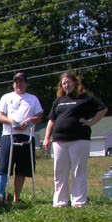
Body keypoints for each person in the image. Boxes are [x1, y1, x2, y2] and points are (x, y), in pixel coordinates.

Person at [42, 71, 107, 208]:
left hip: (79, 140)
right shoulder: (58, 101)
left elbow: (103, 109)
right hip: (59, 140)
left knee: (78, 170)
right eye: (63, 83)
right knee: (59, 172)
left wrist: (91, 122)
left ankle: (78, 201)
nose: (66, 85)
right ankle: (60, 202)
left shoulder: (85, 98)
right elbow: (51, 120)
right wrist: (47, 138)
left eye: (68, 82)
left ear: (75, 83)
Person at [0, 72, 44, 204]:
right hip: (9, 135)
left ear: (26, 84)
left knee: (22, 170)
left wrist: (30, 121)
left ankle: (16, 198)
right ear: (13, 84)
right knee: (4, 167)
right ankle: (0, 196)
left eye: (21, 82)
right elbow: (0, 117)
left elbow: (39, 116)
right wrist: (12, 123)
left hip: (27, 136)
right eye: (16, 82)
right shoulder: (6, 97)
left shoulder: (33, 99)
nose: (19, 84)